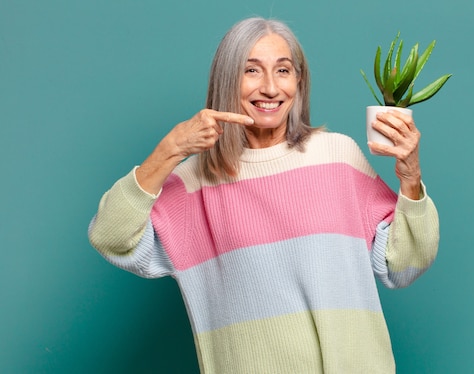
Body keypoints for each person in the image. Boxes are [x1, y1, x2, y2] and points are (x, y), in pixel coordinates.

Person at [88, 17, 439, 374]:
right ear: (227, 80)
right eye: (251, 71)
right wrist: (170, 150)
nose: (271, 88)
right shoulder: (196, 182)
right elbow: (110, 236)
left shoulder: (338, 157)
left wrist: (410, 177)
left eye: (283, 70)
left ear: (298, 81)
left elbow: (403, 266)